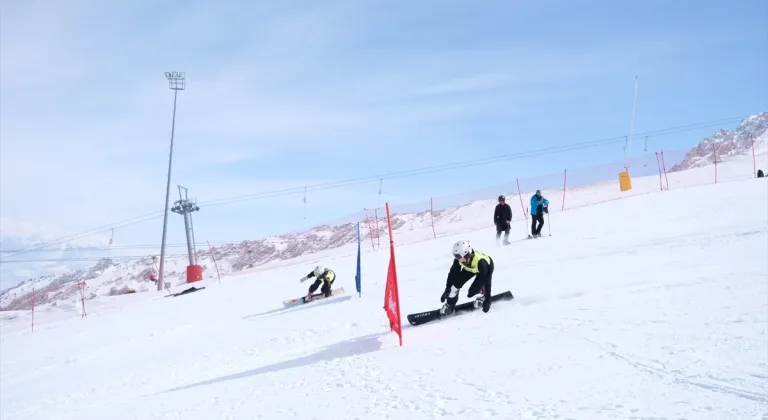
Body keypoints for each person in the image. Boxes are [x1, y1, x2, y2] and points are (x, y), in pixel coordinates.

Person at [439, 240, 493, 315]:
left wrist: (488, 299)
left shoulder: (482, 262)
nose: (457, 259)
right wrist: (447, 288)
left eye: (458, 256)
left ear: (467, 254)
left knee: (472, 292)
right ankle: (449, 305)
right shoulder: (460, 260)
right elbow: (452, 274)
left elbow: (487, 281)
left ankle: (483, 296)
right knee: (454, 286)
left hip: (485, 269)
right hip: (470, 268)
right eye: (455, 256)